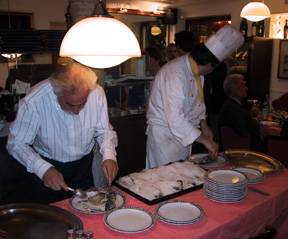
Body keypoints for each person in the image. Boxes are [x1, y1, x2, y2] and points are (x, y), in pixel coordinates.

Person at [6, 62, 119, 204]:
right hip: (48, 165)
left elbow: (104, 131)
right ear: (56, 92)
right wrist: (43, 169)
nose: (77, 111)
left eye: (82, 103)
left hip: (83, 167)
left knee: (85, 211)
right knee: (50, 219)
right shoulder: (34, 101)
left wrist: (109, 156)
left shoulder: (96, 93)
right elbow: (15, 143)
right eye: (70, 104)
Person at [146, 25, 244, 168]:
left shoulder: (196, 70)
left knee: (181, 177)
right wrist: (205, 140)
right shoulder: (175, 74)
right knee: (164, 182)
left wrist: (203, 125)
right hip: (164, 137)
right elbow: (175, 118)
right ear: (209, 65)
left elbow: (198, 102)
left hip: (184, 134)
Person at [218, 73, 265, 152]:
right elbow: (244, 130)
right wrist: (257, 119)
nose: (246, 88)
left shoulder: (234, 104)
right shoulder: (231, 107)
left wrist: (251, 112)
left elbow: (241, 118)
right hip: (241, 148)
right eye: (242, 85)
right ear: (232, 89)